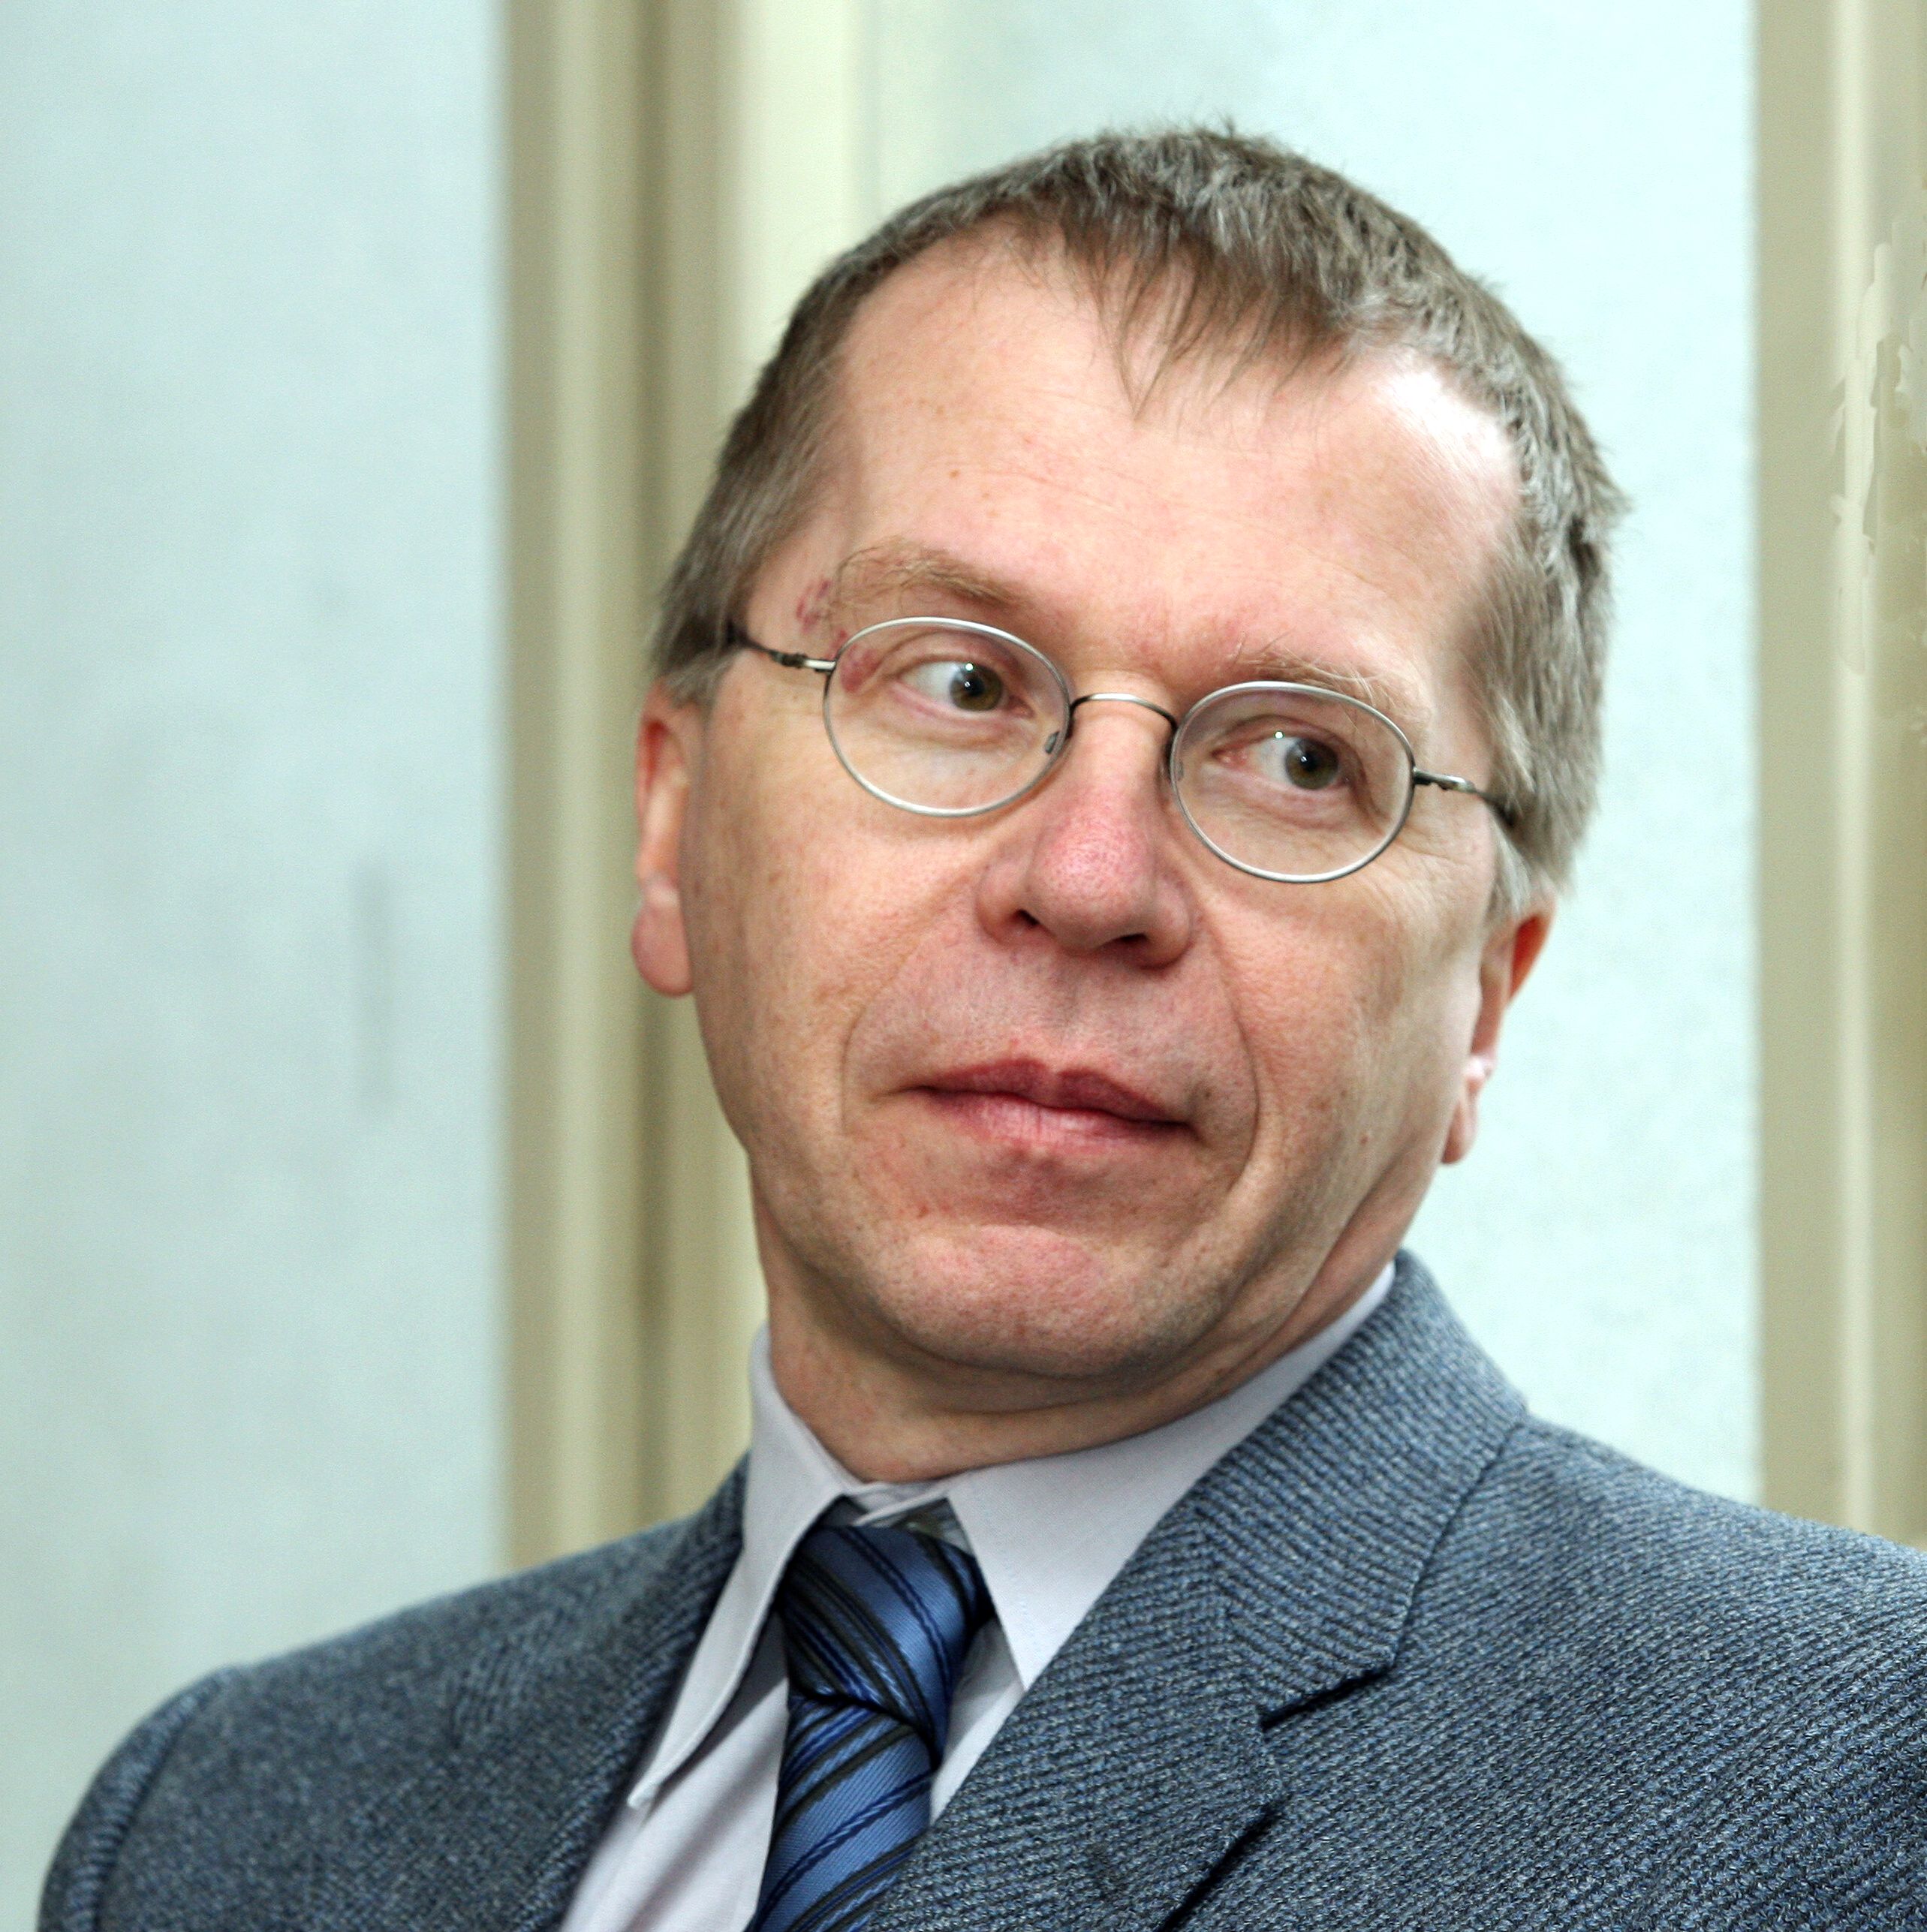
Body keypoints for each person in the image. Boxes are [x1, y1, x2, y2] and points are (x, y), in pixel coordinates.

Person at [42, 128, 1927, 1932]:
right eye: (954, 681)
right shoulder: (221, 1831)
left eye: (1296, 758)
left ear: (1489, 998)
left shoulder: (1858, 1798)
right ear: (674, 825)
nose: (1089, 876)